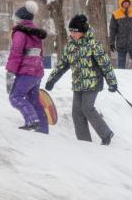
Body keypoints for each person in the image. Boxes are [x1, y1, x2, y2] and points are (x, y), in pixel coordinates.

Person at [45, 14, 117, 145]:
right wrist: (52, 80)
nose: (71, 33)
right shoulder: (70, 47)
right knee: (76, 113)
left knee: (87, 108)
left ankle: (106, 133)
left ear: (82, 31)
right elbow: (62, 65)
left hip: (93, 83)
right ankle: (84, 143)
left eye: (74, 31)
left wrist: (112, 82)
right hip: (78, 84)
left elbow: (105, 64)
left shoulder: (93, 45)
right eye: (70, 30)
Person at [5, 0, 49, 134]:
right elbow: (41, 54)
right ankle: (43, 129)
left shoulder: (20, 33)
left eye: (15, 18)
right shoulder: (35, 33)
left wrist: (11, 71)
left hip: (26, 72)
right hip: (36, 72)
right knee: (34, 100)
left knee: (15, 97)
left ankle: (32, 121)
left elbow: (16, 53)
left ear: (19, 19)